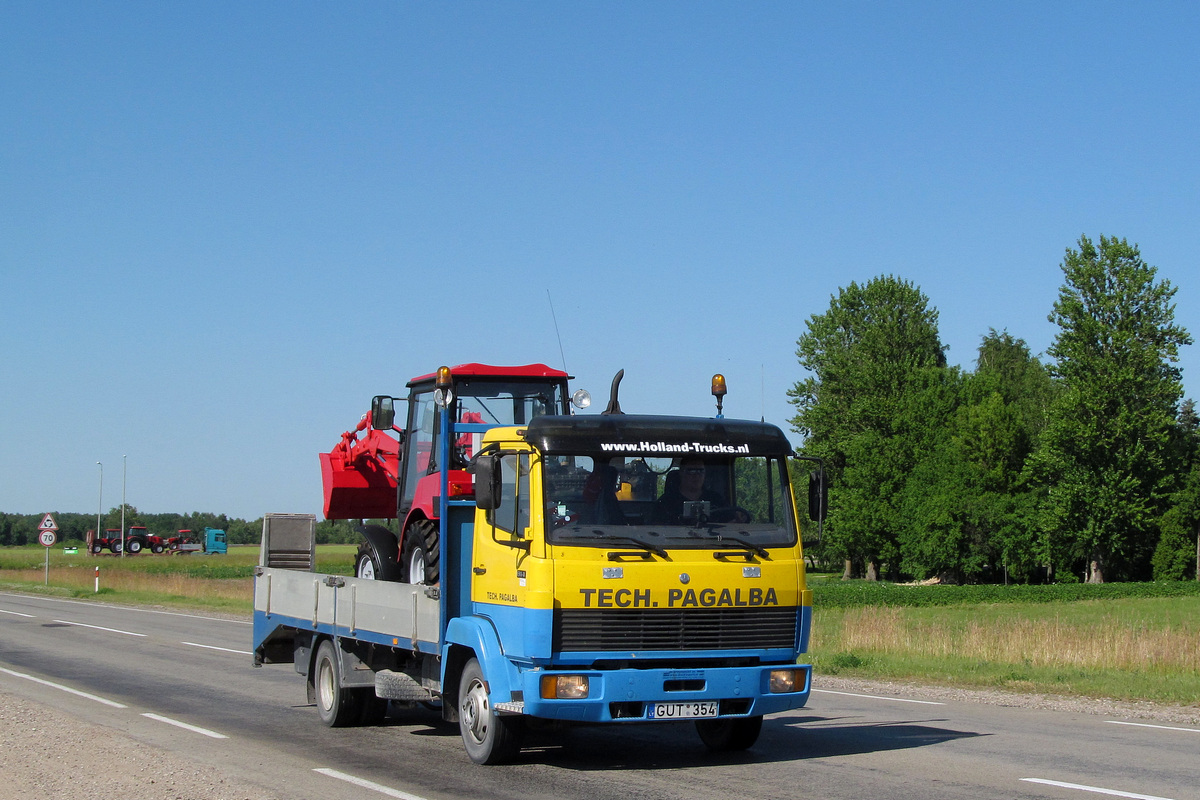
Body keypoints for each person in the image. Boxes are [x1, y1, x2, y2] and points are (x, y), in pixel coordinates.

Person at [651, 458, 723, 524]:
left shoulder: (716, 500)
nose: (696, 475)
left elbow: (729, 523)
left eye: (701, 471)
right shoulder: (665, 503)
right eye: (691, 471)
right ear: (681, 473)